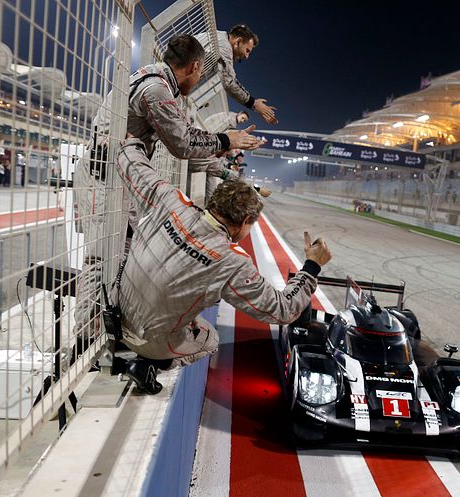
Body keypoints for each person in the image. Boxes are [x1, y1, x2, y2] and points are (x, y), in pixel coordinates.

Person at [74, 34, 265, 342]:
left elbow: (186, 137)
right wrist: (227, 141)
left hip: (116, 176)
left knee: (123, 254)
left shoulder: (157, 79)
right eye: (201, 72)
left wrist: (223, 144)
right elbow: (182, 143)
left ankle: (104, 334)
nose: (201, 77)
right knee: (100, 260)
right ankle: (82, 343)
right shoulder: (157, 89)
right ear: (194, 66)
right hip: (102, 178)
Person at [113, 137, 331, 393]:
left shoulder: (169, 199)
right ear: (245, 221)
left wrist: (132, 143)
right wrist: (311, 267)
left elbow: (131, 165)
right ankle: (148, 362)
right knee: (210, 339)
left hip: (115, 317)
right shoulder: (232, 261)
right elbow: (281, 311)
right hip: (151, 342)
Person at [197, 25, 278, 124]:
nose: (247, 56)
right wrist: (253, 103)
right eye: (247, 50)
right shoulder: (224, 47)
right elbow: (229, 82)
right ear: (238, 42)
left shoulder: (219, 37)